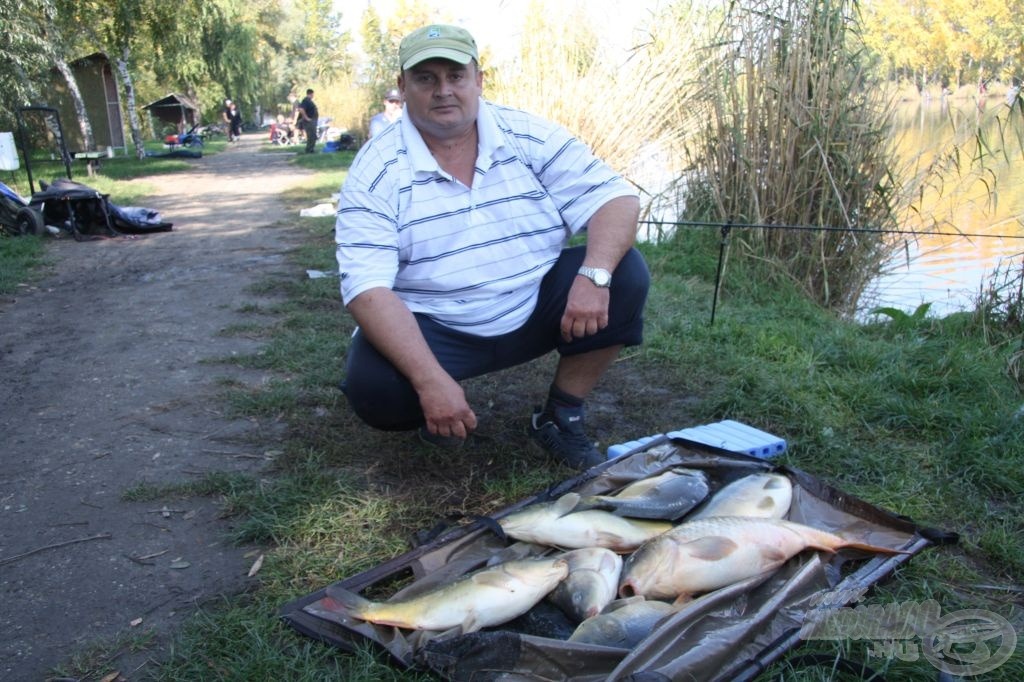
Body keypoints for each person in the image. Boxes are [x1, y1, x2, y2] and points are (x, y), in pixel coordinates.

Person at [335, 24, 649, 470]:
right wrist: (429, 382)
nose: (444, 91)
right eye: (426, 79)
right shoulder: (375, 171)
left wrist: (594, 273)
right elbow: (368, 290)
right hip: (437, 323)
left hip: (534, 303)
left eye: (456, 76)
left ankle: (561, 416)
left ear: (478, 80)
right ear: (403, 88)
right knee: (375, 388)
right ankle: (435, 406)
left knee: (625, 273)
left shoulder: (527, 133)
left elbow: (615, 198)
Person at [296, 88, 319, 153]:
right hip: (309, 122)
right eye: (313, 94)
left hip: (312, 121)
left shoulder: (309, 101)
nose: (313, 96)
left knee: (313, 135)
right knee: (311, 135)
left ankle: (311, 149)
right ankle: (309, 149)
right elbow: (301, 109)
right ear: (311, 94)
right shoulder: (306, 100)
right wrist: (306, 118)